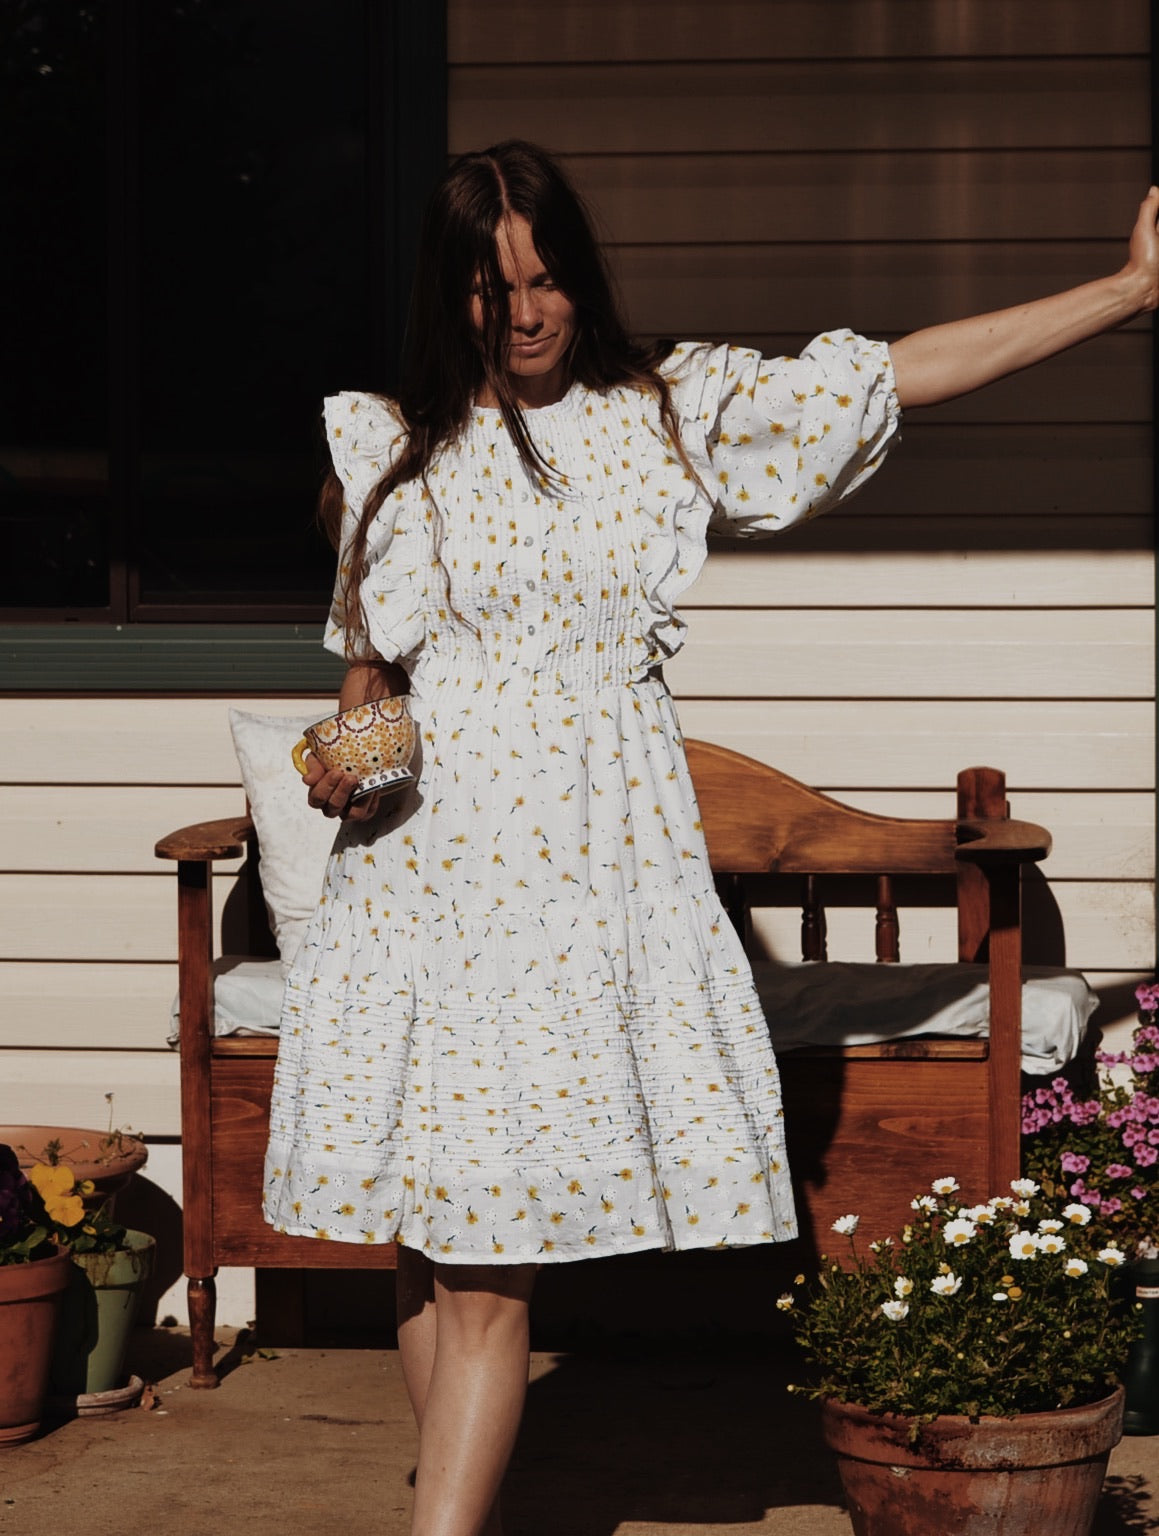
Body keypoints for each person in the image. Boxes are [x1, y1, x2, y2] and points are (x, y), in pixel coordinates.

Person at [263, 140, 1159, 1536]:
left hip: (584, 887)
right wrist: (344, 767)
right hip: (424, 886)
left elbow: (896, 374)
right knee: (437, 1253)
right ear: (454, 299)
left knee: (492, 1268)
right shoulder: (395, 449)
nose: (532, 311)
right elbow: (369, 679)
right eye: (497, 290)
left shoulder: (669, 410)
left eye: (551, 276)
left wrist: (1122, 291)